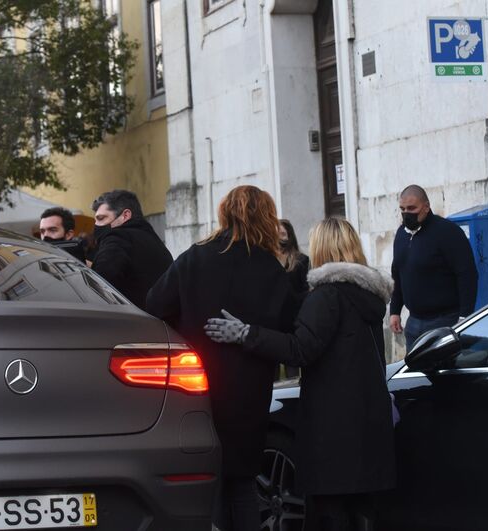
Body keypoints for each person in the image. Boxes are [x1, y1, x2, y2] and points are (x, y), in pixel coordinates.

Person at [204, 217, 396, 531]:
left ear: (322, 248)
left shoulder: (327, 296)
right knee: (362, 509)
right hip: (367, 422)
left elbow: (299, 350)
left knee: (331, 511)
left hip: (334, 427)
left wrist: (246, 334)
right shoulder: (369, 296)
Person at [145, 185, 298, 531]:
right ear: (265, 217)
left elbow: (154, 305)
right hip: (250, 386)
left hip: (197, 382)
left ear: (224, 214)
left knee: (205, 478)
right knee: (242, 483)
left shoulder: (195, 257)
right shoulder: (269, 268)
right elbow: (289, 326)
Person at [389, 185, 478, 351]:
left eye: (412, 208)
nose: (406, 213)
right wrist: (395, 310)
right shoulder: (401, 234)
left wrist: (464, 317)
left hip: (444, 321)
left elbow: (467, 275)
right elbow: (398, 274)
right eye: (402, 209)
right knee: (415, 375)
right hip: (414, 323)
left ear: (426, 207)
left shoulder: (447, 232)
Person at [89, 190, 173, 311]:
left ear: (125, 215)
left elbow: (98, 285)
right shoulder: (153, 240)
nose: (97, 225)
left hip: (130, 323)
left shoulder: (117, 238)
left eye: (101, 218)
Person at [279, 218, 310, 295]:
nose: (278, 238)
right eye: (275, 235)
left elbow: (306, 291)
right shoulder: (269, 261)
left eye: (283, 234)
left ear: (290, 237)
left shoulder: (302, 260)